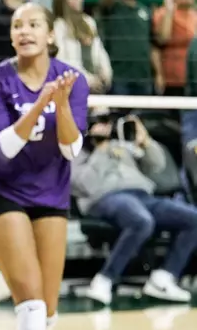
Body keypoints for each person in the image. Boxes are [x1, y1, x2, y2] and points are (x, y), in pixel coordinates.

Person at [0, 2, 88, 330]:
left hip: (51, 196)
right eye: (17, 25)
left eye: (33, 24)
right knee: (30, 305)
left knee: (49, 310)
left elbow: (71, 150)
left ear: (49, 35)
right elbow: (4, 146)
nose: (24, 31)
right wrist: (39, 103)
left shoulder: (70, 80)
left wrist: (59, 104)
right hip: (4, 193)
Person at [76, 114, 193, 306]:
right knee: (141, 220)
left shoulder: (123, 145)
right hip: (104, 198)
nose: (105, 127)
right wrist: (101, 149)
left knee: (192, 218)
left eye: (107, 122)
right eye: (99, 123)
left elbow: (157, 165)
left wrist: (145, 142)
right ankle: (104, 279)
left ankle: (163, 277)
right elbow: (83, 184)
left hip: (143, 195)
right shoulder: (78, 150)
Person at [53, 0, 112, 93]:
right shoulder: (59, 26)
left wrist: (106, 72)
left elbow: (99, 50)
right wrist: (88, 79)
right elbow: (63, 61)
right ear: (64, 2)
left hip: (96, 84)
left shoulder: (89, 22)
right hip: (72, 87)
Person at [153, 0, 197, 95]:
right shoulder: (162, 13)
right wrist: (169, 10)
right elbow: (163, 39)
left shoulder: (194, 15)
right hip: (172, 80)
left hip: (193, 79)